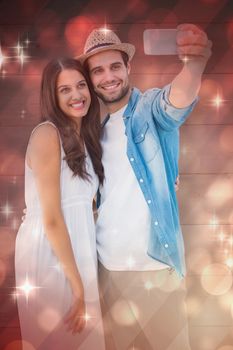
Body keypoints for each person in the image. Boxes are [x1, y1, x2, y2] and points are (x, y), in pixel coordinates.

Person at [77, 25, 212, 350]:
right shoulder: (91, 130)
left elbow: (175, 102)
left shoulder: (149, 110)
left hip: (154, 270)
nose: (108, 76)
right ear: (90, 79)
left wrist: (194, 64)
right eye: (98, 70)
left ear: (128, 68)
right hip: (107, 269)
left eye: (115, 66)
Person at [15, 58, 105, 350]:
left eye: (80, 85)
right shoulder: (47, 134)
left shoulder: (84, 136)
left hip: (77, 248)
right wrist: (78, 287)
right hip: (49, 251)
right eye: (64, 89)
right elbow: (52, 219)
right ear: (51, 96)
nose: (76, 95)